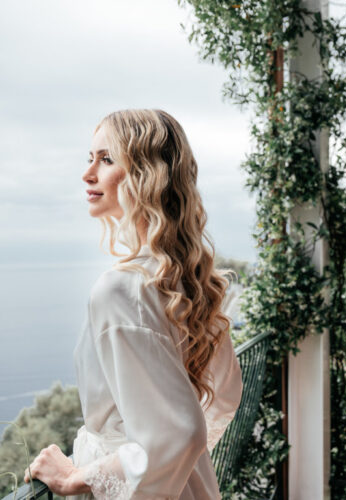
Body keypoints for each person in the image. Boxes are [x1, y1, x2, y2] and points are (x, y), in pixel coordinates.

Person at [23, 109, 244, 499]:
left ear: (146, 175)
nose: (88, 173)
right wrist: (176, 467)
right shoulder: (185, 281)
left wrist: (81, 477)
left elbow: (182, 432)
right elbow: (222, 398)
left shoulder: (121, 290)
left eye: (106, 160)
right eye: (89, 158)